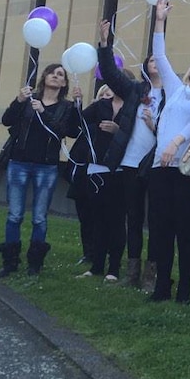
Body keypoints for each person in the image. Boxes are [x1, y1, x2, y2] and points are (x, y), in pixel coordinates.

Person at [97, 20, 165, 289]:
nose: (155, 63)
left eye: (159, 60)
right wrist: (105, 44)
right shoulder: (136, 90)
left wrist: (154, 126)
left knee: (157, 221)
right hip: (130, 163)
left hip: (158, 165)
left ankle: (152, 275)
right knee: (133, 219)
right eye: (150, 60)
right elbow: (111, 74)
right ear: (146, 67)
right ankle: (132, 273)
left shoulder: (173, 93)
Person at [146, 0, 190, 304]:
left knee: (185, 231)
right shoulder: (176, 88)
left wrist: (174, 143)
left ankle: (184, 288)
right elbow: (159, 54)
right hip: (160, 169)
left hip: (185, 171)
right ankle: (162, 286)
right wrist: (159, 20)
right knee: (161, 231)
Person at [0, 63, 79, 278]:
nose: (55, 75)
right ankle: (10, 262)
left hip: (46, 166)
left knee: (40, 217)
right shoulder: (29, 99)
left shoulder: (66, 107)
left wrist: (45, 113)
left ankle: (35, 264)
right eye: (52, 72)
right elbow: (7, 120)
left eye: (60, 74)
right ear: (44, 77)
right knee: (14, 214)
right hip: (19, 162)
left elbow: (67, 132)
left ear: (63, 83)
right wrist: (18, 101)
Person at [71, 83, 128, 282]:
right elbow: (77, 124)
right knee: (97, 220)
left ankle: (114, 269)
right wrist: (76, 104)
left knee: (117, 221)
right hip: (95, 170)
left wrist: (118, 131)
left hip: (120, 170)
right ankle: (96, 265)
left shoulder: (133, 107)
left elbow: (137, 136)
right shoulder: (100, 106)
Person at [65, 85, 115, 268]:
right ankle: (88, 252)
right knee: (84, 214)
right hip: (82, 169)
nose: (106, 97)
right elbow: (73, 127)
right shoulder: (90, 116)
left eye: (109, 94)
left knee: (102, 215)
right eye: (103, 94)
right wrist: (77, 105)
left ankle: (104, 251)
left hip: (102, 170)